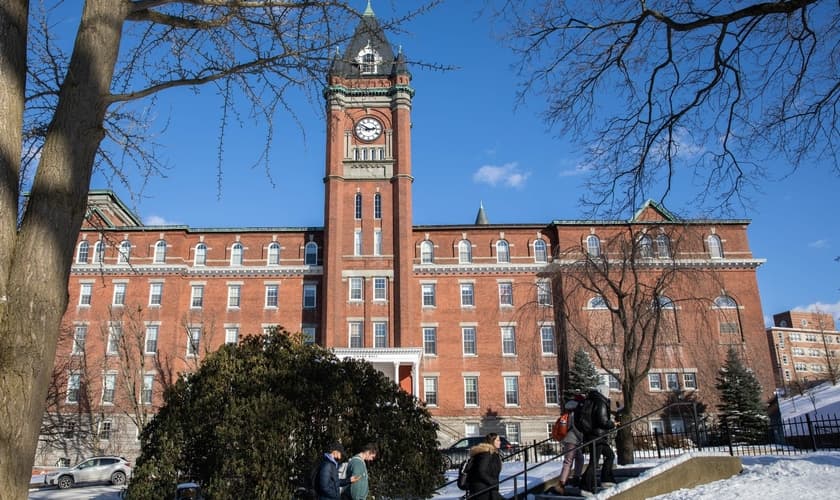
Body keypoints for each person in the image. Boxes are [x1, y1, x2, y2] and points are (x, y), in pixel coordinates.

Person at [579, 390, 616, 493]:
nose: (609, 394)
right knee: (594, 462)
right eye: (608, 392)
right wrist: (613, 424)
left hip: (594, 435)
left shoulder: (591, 400)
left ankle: (606, 480)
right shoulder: (600, 402)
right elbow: (602, 421)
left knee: (610, 455)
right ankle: (585, 486)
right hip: (597, 436)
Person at [554, 395, 585, 494]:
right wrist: (582, 436)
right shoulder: (575, 413)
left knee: (580, 458)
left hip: (572, 440)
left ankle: (576, 478)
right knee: (568, 461)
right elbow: (575, 427)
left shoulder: (570, 411)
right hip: (572, 440)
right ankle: (561, 484)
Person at [465, 433, 504, 500]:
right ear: (492, 441)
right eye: (498, 440)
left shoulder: (493, 453)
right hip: (482, 489)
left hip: (488, 488)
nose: (500, 442)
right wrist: (492, 482)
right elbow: (481, 471)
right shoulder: (486, 453)